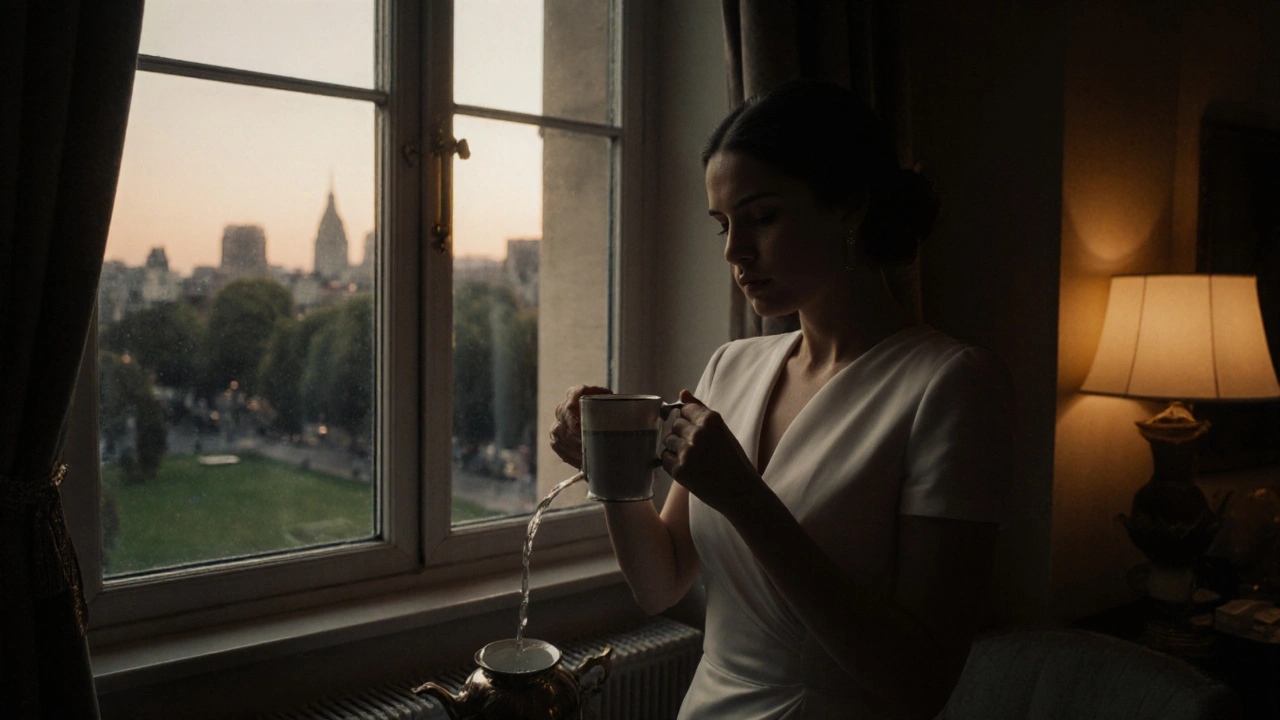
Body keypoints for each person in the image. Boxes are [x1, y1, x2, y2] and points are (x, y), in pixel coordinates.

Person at [549, 81, 1014, 719]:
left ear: (849, 206)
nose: (735, 251)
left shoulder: (952, 386)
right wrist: (610, 469)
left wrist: (744, 497)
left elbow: (921, 679)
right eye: (723, 224)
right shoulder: (731, 367)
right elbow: (660, 583)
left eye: (762, 217)